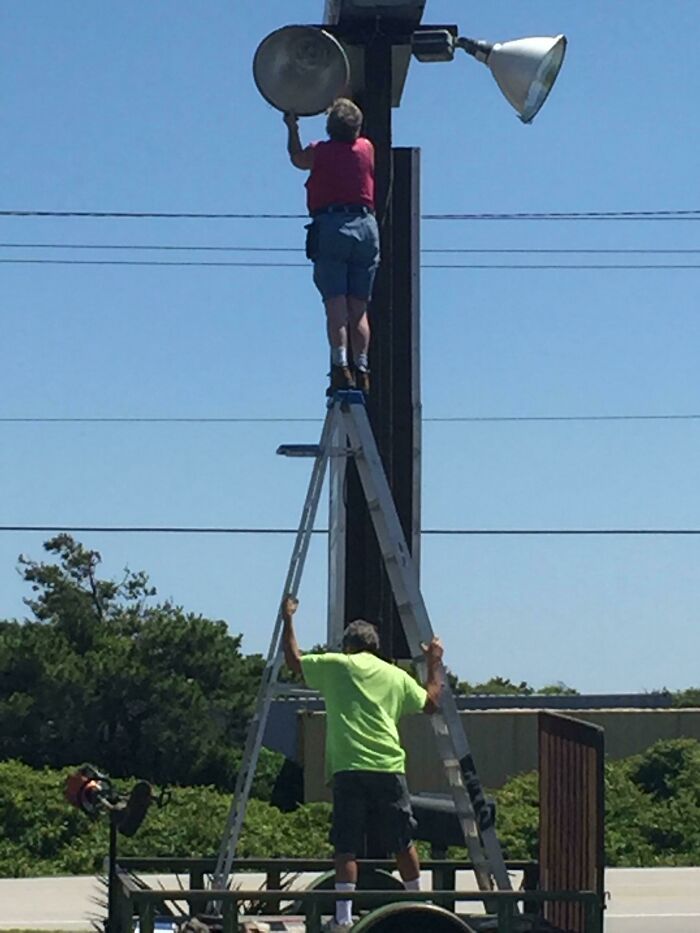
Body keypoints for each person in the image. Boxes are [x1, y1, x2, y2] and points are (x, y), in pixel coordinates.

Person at [281, 594, 444, 932]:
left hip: (348, 765)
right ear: (374, 646)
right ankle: (419, 905)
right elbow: (430, 702)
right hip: (387, 765)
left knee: (346, 846)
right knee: (402, 841)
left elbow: (294, 661)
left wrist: (288, 620)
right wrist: (435, 662)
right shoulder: (394, 675)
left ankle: (343, 917)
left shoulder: (337, 665)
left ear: (348, 646)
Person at [284, 98, 380, 396]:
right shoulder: (366, 149)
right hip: (366, 227)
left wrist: (292, 127)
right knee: (359, 308)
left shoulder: (321, 152)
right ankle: (362, 367)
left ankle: (341, 366)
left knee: (335, 304)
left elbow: (297, 158)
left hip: (332, 225)